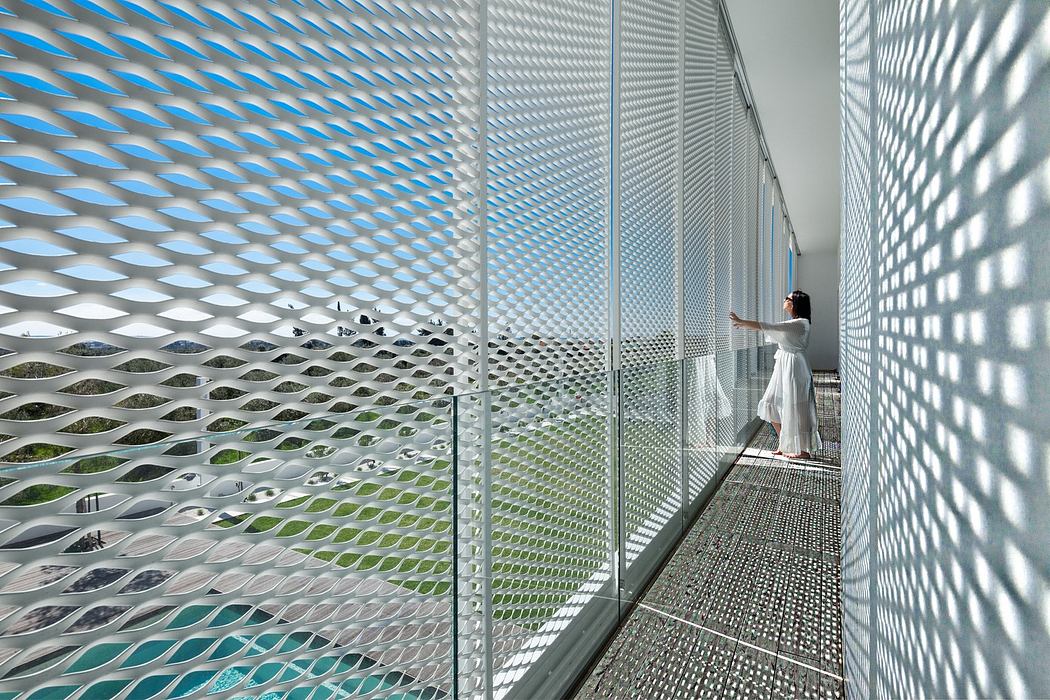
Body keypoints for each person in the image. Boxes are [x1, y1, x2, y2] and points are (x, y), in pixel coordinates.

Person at [729, 291, 822, 459]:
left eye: (788, 298)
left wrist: (742, 322)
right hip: (784, 365)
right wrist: (743, 324)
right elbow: (771, 328)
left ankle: (803, 451)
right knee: (770, 402)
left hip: (795, 367)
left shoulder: (801, 323)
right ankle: (785, 444)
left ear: (795, 304)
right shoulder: (795, 322)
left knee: (798, 407)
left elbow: (769, 326)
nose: (784, 300)